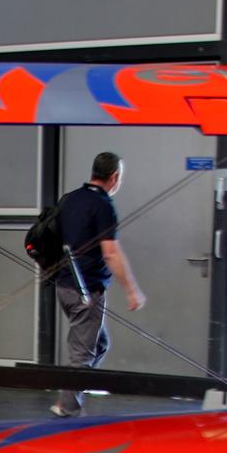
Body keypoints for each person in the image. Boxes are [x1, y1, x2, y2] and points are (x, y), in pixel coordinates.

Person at [51, 151, 145, 417]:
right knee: (81, 354)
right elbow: (111, 253)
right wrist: (132, 290)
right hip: (85, 291)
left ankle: (74, 391)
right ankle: (66, 410)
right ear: (114, 177)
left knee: (98, 344)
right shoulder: (103, 206)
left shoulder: (70, 199)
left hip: (64, 286)